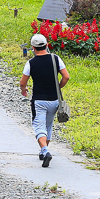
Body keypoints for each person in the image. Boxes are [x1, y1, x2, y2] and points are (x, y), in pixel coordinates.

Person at [19, 33, 69, 167]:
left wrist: (24, 90)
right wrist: (58, 87)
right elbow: (66, 77)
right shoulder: (56, 59)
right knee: (48, 125)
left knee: (39, 127)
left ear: (33, 48)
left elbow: (23, 82)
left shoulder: (31, 63)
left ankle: (45, 151)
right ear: (47, 45)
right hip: (54, 100)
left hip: (39, 101)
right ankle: (42, 151)